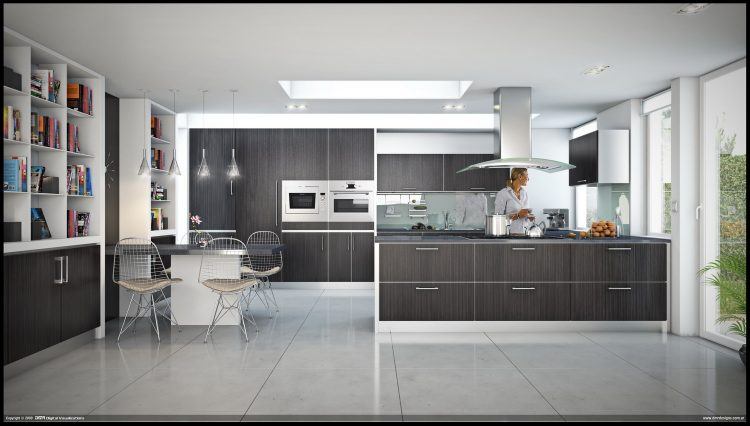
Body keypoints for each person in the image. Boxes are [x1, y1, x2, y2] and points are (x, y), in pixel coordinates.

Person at [494, 168, 534, 234]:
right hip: (508, 234)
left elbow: (524, 214)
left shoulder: (524, 193)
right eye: (527, 175)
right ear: (520, 176)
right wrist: (517, 215)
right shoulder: (503, 193)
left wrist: (528, 216)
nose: (528, 179)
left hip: (523, 233)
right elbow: (498, 219)